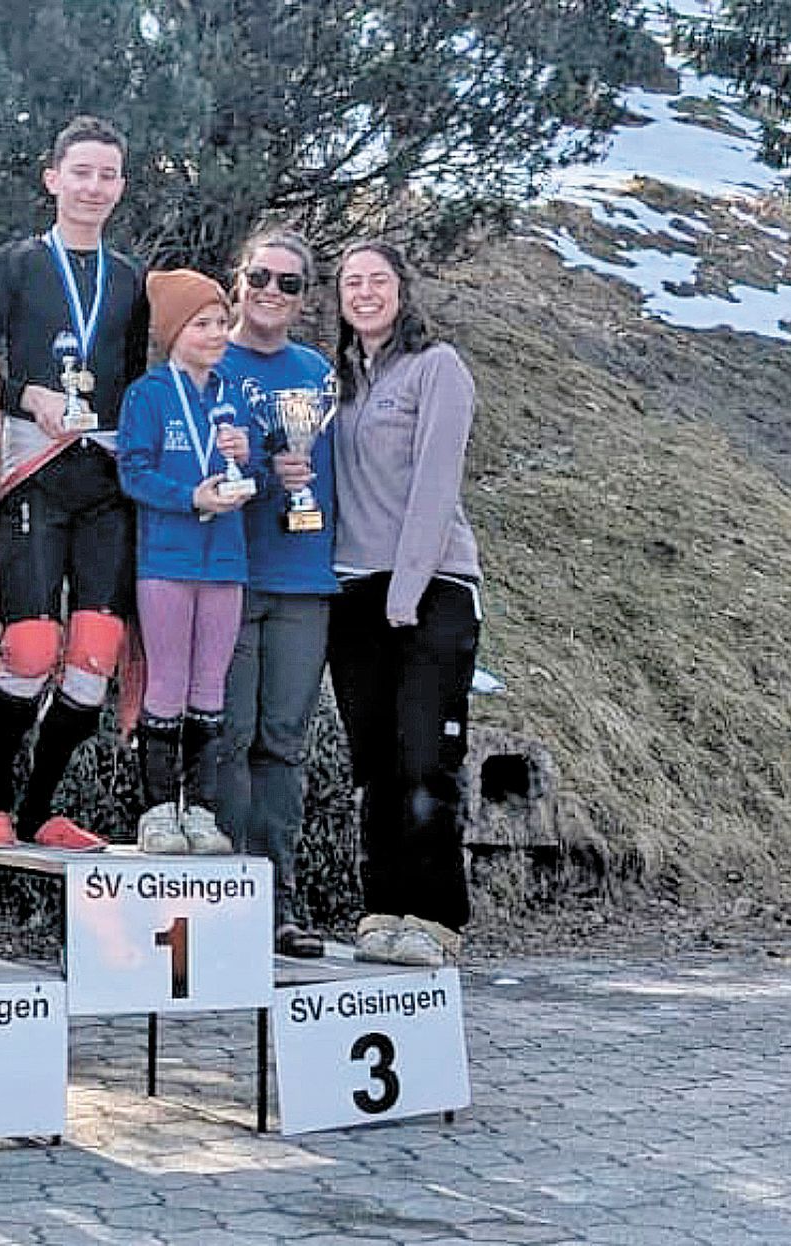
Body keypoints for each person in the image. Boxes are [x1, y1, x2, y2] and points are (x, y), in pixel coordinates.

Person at [0, 115, 149, 854]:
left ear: (121, 187)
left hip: (106, 476)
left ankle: (41, 810)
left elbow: (137, 381)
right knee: (33, 644)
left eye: (107, 175)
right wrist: (26, 395)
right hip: (33, 468)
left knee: (97, 646)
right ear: (53, 179)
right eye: (81, 172)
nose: (93, 187)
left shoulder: (129, 277)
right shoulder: (16, 265)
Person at [326, 240, 482, 968]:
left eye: (377, 280)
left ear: (401, 290)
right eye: (351, 283)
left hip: (429, 590)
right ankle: (382, 908)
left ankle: (435, 916)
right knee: (376, 768)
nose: (364, 293)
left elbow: (436, 483)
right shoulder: (337, 383)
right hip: (352, 591)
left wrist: (407, 590)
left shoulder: (437, 367)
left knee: (425, 762)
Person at [216, 228, 336, 958]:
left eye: (289, 282)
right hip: (226, 572)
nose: (271, 291)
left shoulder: (317, 372)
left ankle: (276, 906)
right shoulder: (208, 357)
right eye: (260, 276)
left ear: (303, 296)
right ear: (239, 279)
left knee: (283, 746)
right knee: (227, 738)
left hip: (302, 576)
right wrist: (263, 470)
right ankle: (224, 901)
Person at [115, 270, 253, 854]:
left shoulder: (233, 393)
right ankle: (156, 811)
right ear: (173, 332)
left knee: (211, 683)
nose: (217, 333)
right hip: (167, 559)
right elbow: (133, 472)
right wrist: (189, 497)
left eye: (222, 322)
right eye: (202, 324)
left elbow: (256, 473)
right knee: (168, 679)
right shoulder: (148, 395)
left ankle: (199, 809)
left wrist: (248, 460)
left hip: (225, 561)